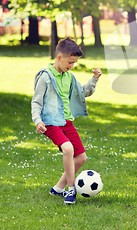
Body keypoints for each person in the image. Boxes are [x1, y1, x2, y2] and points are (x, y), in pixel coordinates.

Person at [31, 38, 102, 204]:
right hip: (50, 123)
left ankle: (57, 189)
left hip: (66, 122)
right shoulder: (46, 77)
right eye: (70, 62)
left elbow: (83, 92)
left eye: (74, 63)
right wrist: (37, 121)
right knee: (68, 149)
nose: (71, 66)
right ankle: (71, 189)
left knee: (81, 157)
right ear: (59, 57)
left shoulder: (69, 77)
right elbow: (36, 101)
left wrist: (94, 79)